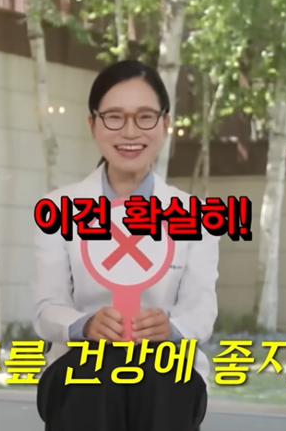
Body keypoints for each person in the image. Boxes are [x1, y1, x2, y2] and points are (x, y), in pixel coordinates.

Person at [33, 60, 219, 431]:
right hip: (79, 368)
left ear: (165, 124)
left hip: (166, 371)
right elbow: (46, 309)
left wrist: (171, 329)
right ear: (92, 124)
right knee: (98, 375)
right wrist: (85, 325)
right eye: (114, 117)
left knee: (158, 375)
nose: (130, 132)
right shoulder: (57, 208)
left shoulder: (194, 214)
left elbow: (201, 310)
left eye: (145, 117)